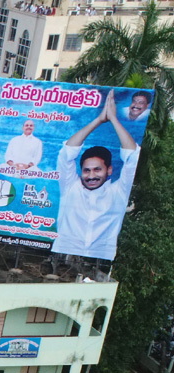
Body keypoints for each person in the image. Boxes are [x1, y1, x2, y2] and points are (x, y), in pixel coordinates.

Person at [51, 91, 139, 259]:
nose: (91, 175)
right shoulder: (71, 187)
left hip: (101, 256)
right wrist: (99, 120)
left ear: (109, 170)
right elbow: (66, 153)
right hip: (63, 252)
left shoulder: (118, 191)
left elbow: (133, 157)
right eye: (86, 170)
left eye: (97, 169)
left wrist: (113, 119)